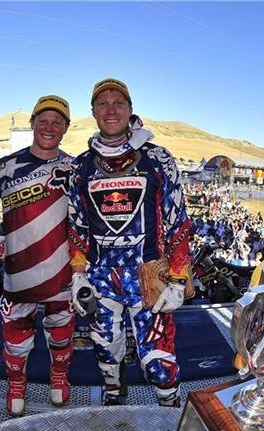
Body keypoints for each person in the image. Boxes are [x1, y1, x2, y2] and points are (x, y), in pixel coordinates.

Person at [68, 78, 193, 407]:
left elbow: (178, 220)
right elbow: (77, 225)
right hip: (100, 276)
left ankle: (170, 412)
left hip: (149, 276)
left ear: (130, 109)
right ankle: (114, 401)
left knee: (159, 365)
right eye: (103, 104)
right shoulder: (80, 166)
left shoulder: (158, 158)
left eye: (118, 103)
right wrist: (78, 275)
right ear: (93, 112)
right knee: (105, 354)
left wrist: (178, 279)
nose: (111, 110)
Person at [0, 95, 75, 416]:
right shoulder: (6, 166)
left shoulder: (77, 168)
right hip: (18, 273)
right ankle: (16, 384)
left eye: (57, 122)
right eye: (43, 120)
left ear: (66, 128)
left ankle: (59, 376)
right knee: (16, 338)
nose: (49, 127)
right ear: (31, 124)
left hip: (63, 273)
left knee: (61, 333)